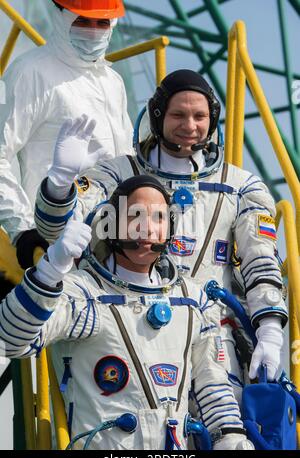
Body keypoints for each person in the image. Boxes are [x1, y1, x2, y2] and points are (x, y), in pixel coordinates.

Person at [34, 71, 288, 403]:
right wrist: (60, 184)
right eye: (178, 115)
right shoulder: (117, 175)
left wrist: (269, 332)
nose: (190, 125)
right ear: (157, 116)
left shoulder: (241, 187)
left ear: (212, 120)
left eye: (200, 116)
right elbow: (55, 230)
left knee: (227, 429)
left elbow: (261, 260)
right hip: (130, 327)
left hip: (213, 335)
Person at [0, 175, 253, 450]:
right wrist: (49, 271)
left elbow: (213, 386)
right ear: (110, 225)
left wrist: (230, 439)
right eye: (135, 216)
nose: (147, 228)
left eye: (158, 218)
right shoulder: (84, 295)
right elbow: (12, 340)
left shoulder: (193, 301)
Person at [0, 0, 133, 269]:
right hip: (52, 241)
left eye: (101, 23)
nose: (93, 31)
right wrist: (23, 230)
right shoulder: (30, 72)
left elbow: (128, 159)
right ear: (61, 17)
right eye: (83, 21)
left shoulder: (112, 81)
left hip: (116, 246)